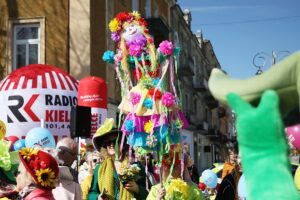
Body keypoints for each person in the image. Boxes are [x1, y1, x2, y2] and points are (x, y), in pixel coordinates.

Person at [82, 118, 148, 200]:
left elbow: (149, 192)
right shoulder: (99, 169)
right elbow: (92, 193)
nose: (111, 145)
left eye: (116, 141)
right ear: (105, 145)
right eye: (108, 142)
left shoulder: (135, 165)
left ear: (123, 144)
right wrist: (97, 197)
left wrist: (137, 189)